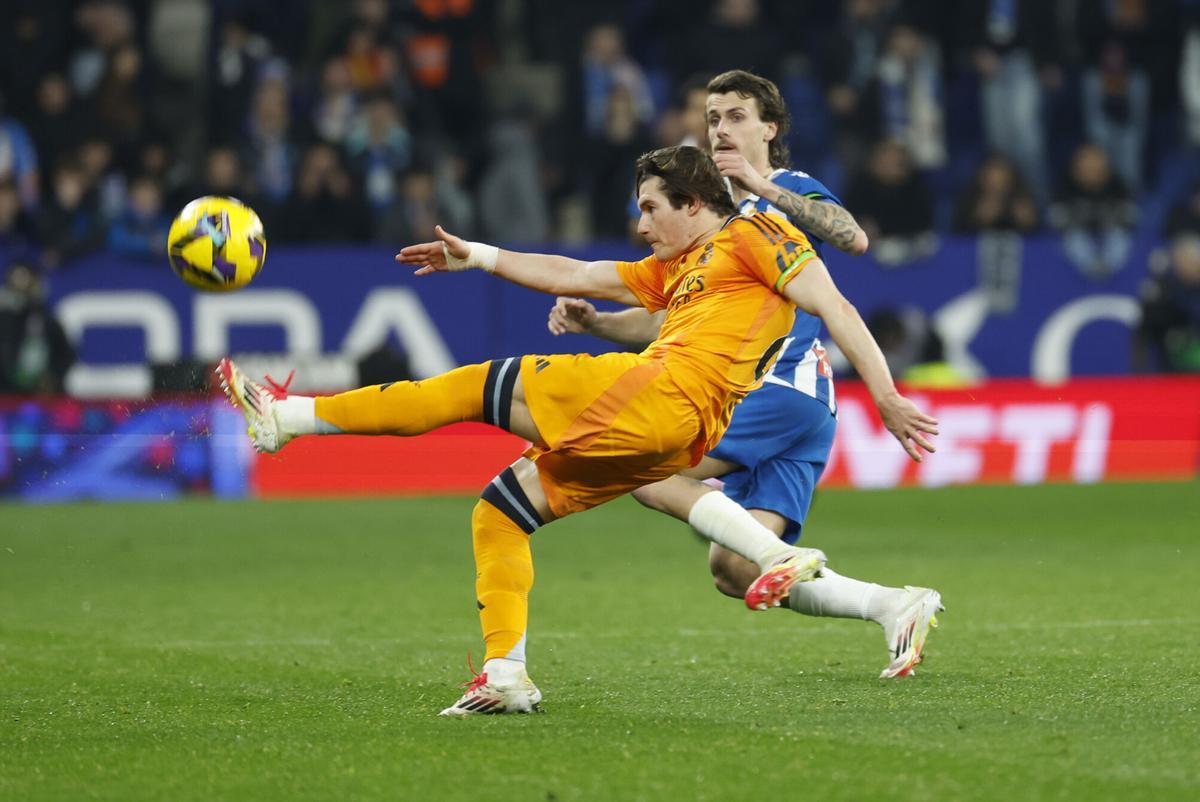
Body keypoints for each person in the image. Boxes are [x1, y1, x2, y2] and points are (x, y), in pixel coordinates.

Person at [218, 146, 937, 716]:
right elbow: (583, 273)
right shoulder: (683, 267)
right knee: (501, 511)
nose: (643, 223)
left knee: (473, 387)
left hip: (665, 396)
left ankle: (286, 418)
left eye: (653, 208)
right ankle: (505, 673)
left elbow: (837, 306)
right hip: (669, 429)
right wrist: (481, 256)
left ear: (694, 203)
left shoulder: (755, 232)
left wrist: (887, 395)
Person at [550, 69, 942, 681]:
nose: (721, 128)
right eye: (712, 118)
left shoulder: (784, 189)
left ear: (770, 129)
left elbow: (854, 239)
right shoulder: (706, 218)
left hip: (777, 389)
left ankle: (735, 516)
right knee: (733, 571)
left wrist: (887, 395)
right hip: (789, 410)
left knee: (639, 463)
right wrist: (597, 323)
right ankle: (896, 605)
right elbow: (669, 321)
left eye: (736, 116)